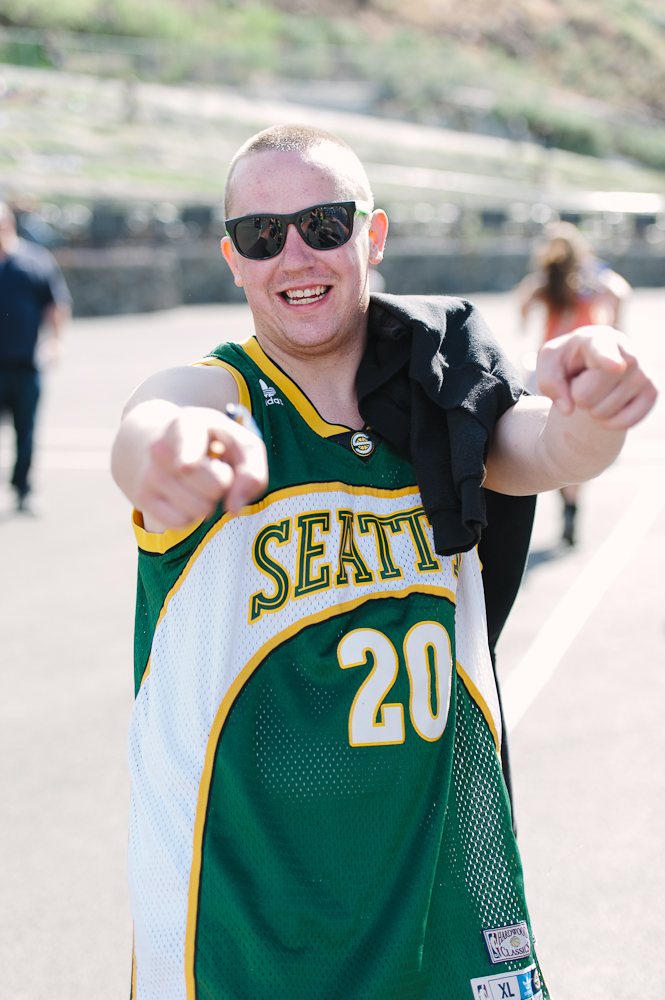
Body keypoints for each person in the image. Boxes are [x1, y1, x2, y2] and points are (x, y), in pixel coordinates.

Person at [111, 126, 656, 1000]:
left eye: (324, 224)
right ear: (233, 259)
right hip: (248, 914)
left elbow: (548, 450)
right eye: (262, 234)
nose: (294, 252)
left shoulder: (439, 394)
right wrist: (164, 451)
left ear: (372, 235)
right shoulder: (223, 398)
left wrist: (597, 403)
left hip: (437, 884)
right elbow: (153, 423)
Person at [516, 222, 632, 544]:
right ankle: (572, 505)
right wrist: (615, 326)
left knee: (552, 436)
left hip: (551, 365)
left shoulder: (549, 278)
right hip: (582, 365)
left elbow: (524, 300)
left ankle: (565, 501)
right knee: (579, 437)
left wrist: (525, 318)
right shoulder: (590, 276)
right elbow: (621, 292)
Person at [0, 202, 72, 512]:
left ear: (9, 224)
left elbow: (56, 304)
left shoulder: (34, 259)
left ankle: (23, 490)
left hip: (26, 363)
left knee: (25, 432)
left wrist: (55, 342)